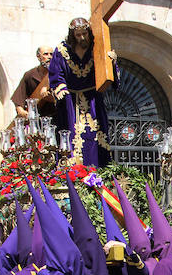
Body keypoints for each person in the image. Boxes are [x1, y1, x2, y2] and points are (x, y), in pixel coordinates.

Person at [48, 17, 119, 166]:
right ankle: (72, 171)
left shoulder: (97, 48)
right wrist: (59, 86)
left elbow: (109, 73)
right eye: (78, 35)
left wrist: (112, 63)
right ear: (72, 35)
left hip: (93, 99)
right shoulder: (62, 50)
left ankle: (100, 170)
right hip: (70, 101)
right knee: (71, 135)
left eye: (84, 34)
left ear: (89, 32)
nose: (82, 38)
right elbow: (55, 72)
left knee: (95, 135)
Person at [11, 46, 56, 119]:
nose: (49, 57)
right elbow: (19, 97)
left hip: (55, 117)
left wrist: (52, 99)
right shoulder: (30, 75)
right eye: (45, 54)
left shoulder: (58, 75)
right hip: (36, 119)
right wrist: (21, 110)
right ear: (38, 56)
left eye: (51, 54)